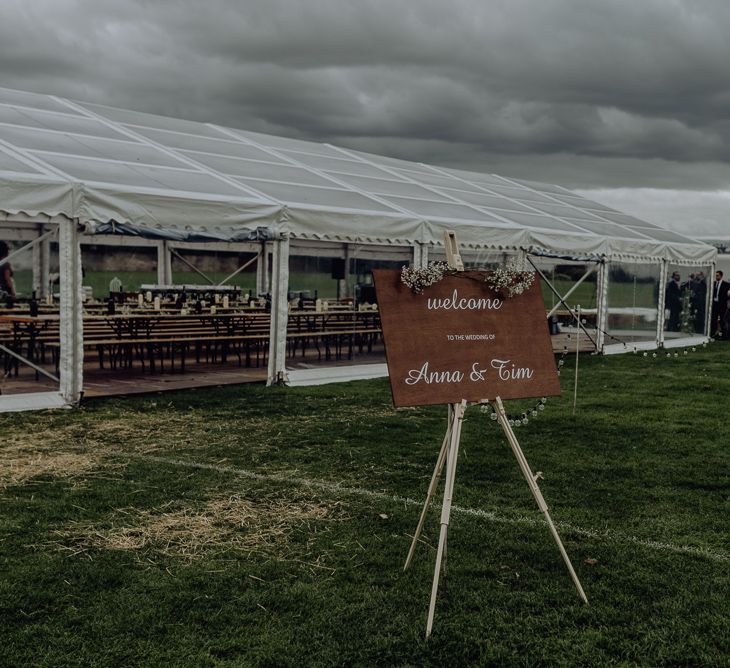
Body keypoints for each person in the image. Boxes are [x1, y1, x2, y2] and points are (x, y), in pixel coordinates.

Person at [710, 270, 729, 338]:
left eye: (717, 275)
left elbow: (727, 295)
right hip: (715, 304)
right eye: (716, 275)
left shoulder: (726, 284)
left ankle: (724, 334)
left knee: (722, 320)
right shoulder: (714, 283)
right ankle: (713, 333)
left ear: (721, 276)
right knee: (713, 319)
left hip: (722, 305)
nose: (716, 276)